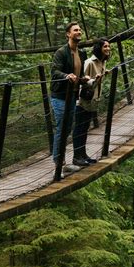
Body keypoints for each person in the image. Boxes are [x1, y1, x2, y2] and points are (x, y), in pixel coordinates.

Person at [50, 21, 89, 173]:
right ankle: (58, 162)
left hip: (72, 95)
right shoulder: (61, 52)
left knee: (67, 129)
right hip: (60, 96)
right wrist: (66, 76)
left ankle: (61, 161)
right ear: (68, 34)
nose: (79, 32)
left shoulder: (81, 53)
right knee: (62, 128)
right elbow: (54, 72)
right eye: (75, 30)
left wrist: (83, 78)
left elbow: (79, 74)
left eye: (80, 30)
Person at [72, 38, 111, 166]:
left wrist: (104, 73)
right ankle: (76, 157)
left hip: (93, 100)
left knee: (85, 128)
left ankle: (83, 155)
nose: (107, 49)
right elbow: (82, 80)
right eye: (105, 46)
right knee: (79, 128)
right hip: (83, 100)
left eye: (108, 46)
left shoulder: (102, 62)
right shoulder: (90, 62)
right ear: (99, 48)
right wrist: (94, 80)